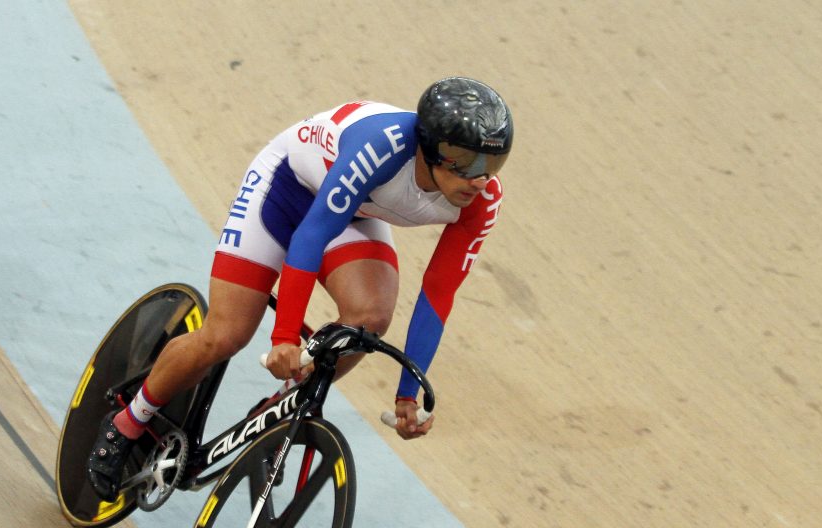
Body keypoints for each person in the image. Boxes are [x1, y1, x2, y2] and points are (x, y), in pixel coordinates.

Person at [87, 76, 513, 502]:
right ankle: (128, 420)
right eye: (465, 162)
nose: (479, 179)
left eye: (491, 164)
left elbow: (437, 295)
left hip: (351, 213)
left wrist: (407, 394)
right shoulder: (381, 147)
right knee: (226, 334)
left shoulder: (482, 199)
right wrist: (284, 337)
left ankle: (276, 410)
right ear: (429, 147)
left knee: (368, 321)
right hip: (284, 189)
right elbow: (311, 236)